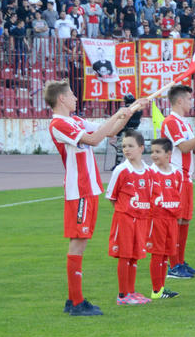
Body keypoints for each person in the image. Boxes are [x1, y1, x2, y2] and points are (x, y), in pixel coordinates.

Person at [47, 79, 143, 316]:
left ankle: (74, 300)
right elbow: (93, 139)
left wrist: (130, 111)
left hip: (88, 188)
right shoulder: (59, 124)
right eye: (71, 95)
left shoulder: (74, 120)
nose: (75, 98)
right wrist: (122, 113)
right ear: (61, 98)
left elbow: (108, 131)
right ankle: (76, 302)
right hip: (79, 190)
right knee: (78, 241)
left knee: (82, 240)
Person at [161, 84, 195, 279]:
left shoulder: (184, 122)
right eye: (189, 99)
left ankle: (180, 261)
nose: (192, 102)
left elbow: (191, 149)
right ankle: (173, 265)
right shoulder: (171, 121)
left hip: (186, 177)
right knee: (176, 220)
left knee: (184, 220)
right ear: (179, 101)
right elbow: (184, 147)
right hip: (176, 176)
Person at [105, 130, 154, 305]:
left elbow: (149, 195)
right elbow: (112, 196)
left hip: (141, 220)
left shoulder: (148, 172)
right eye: (124, 146)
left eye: (130, 146)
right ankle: (122, 295)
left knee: (135, 255)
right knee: (125, 255)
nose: (126, 149)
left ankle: (131, 291)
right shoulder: (121, 170)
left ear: (141, 148)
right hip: (125, 219)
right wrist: (124, 211)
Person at [147, 137, 182, 299]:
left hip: (171, 219)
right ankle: (156, 290)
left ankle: (161, 288)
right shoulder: (150, 173)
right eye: (152, 151)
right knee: (157, 253)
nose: (154, 155)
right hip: (157, 218)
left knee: (167, 253)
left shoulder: (176, 172)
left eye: (158, 152)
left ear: (169, 154)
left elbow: (178, 193)